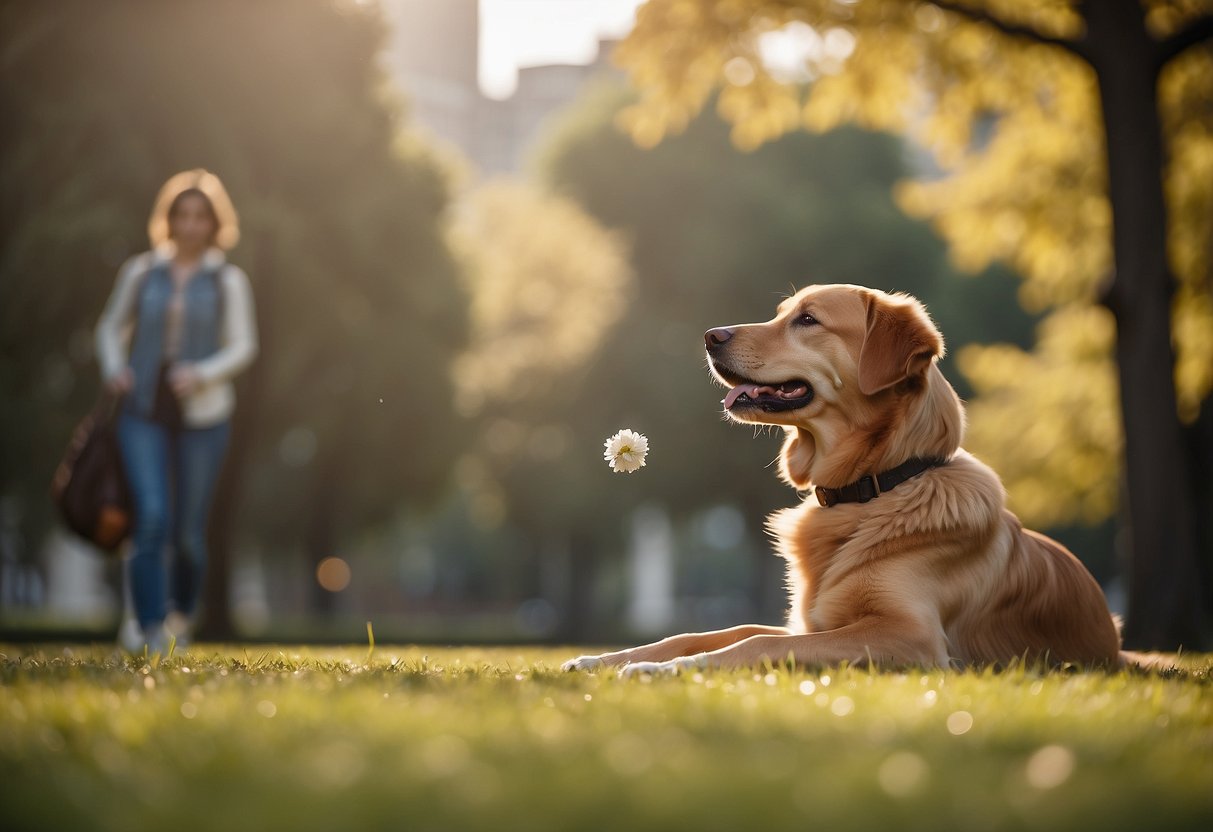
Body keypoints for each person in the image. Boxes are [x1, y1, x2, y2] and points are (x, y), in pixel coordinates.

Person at [95, 169, 258, 653]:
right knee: (151, 519)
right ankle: (148, 630)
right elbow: (109, 327)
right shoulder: (141, 272)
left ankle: (180, 617)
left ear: (213, 223)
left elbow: (245, 345)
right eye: (181, 216)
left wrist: (203, 373)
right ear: (168, 220)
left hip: (204, 417)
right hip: (142, 410)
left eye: (199, 217)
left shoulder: (229, 280)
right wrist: (114, 368)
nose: (189, 226)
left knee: (187, 533)